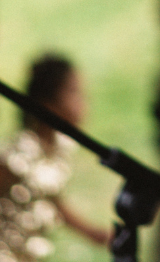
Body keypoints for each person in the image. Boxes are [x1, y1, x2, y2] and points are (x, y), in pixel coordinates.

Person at [0, 55, 111, 262]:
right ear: (47, 104)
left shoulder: (60, 148)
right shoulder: (20, 153)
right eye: (73, 92)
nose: (83, 103)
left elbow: (52, 201)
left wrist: (93, 233)